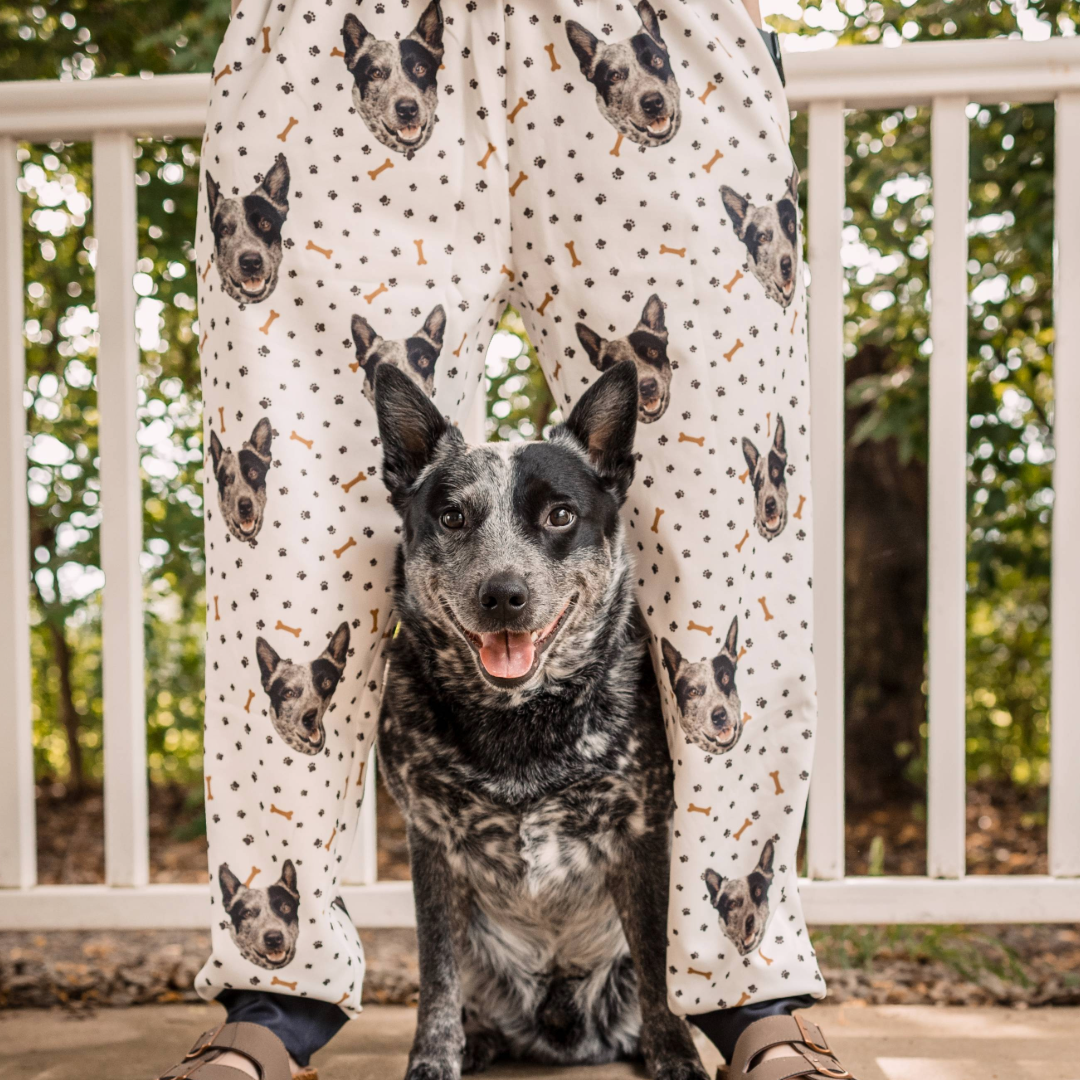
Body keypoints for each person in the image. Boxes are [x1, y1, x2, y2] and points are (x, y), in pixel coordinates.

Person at [158, 1, 860, 1078]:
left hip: (648, 24)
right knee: (294, 530)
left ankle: (747, 976)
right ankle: (274, 979)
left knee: (730, 529)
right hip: (331, 30)